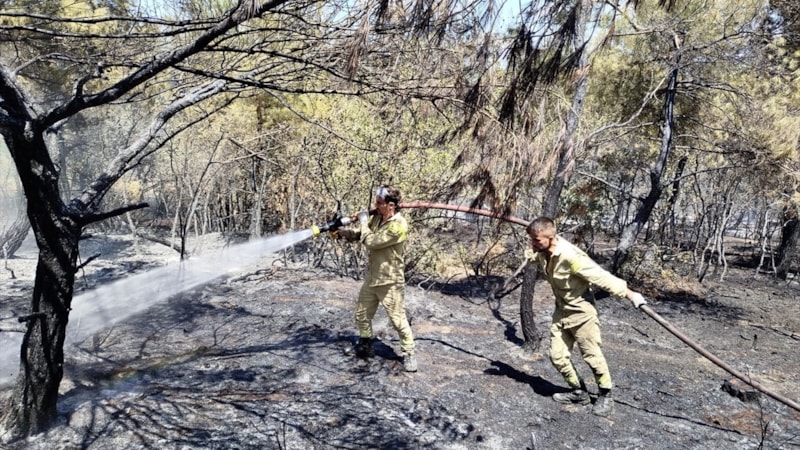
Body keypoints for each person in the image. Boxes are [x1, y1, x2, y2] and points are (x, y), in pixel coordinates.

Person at [524, 216, 647, 417]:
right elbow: (534, 256)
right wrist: (532, 250)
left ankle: (606, 395)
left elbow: (600, 276)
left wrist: (631, 295)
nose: (533, 243)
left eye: (536, 240)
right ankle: (579, 392)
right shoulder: (543, 251)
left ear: (551, 236)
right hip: (561, 311)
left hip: (582, 314)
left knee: (592, 356)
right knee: (557, 356)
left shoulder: (571, 256)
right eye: (532, 239)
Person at [340, 185, 417, 372]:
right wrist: (344, 233)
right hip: (373, 277)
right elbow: (362, 234)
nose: (375, 205)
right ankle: (366, 345)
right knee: (362, 315)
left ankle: (409, 353)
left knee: (398, 320)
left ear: (391, 205)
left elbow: (373, 242)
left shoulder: (398, 226)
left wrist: (363, 221)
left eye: (379, 203)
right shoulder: (377, 218)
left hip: (390, 281)